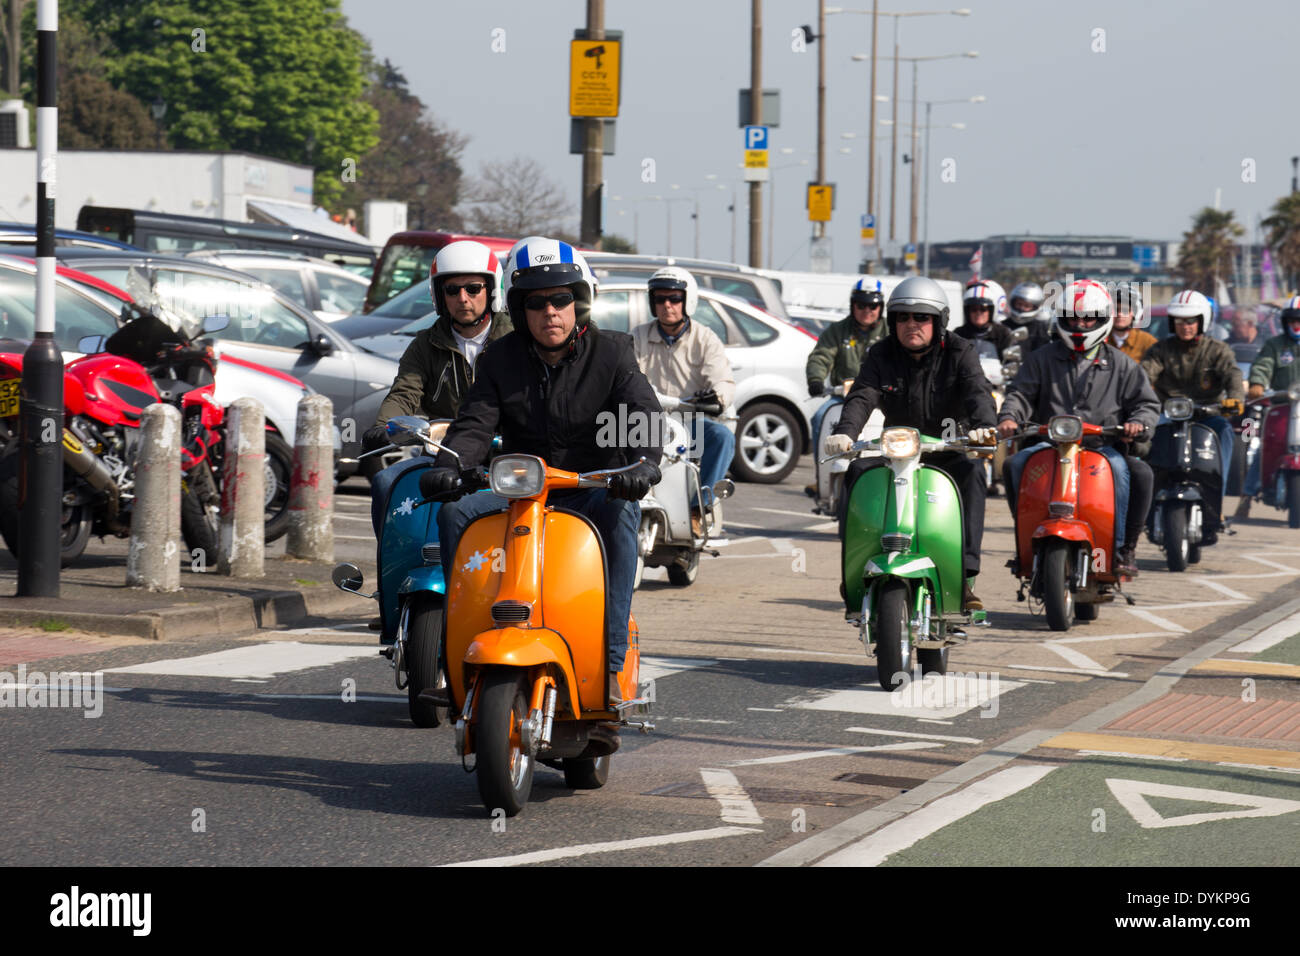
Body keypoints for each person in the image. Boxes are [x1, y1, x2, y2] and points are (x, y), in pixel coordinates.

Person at [420, 237, 662, 707]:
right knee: (455, 514)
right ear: (519, 307)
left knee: (622, 517)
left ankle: (610, 665)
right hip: (518, 491)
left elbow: (643, 416)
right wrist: (448, 466)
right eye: (536, 302)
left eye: (561, 298)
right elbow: (474, 424)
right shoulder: (500, 359)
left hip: (594, 488)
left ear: (580, 302)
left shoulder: (613, 352)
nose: (550, 311)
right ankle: (455, 662)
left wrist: (643, 466)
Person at [824, 276, 997, 611]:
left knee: (974, 472)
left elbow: (978, 393)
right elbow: (862, 395)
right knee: (857, 471)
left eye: (921, 317)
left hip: (949, 448)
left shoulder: (961, 352)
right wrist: (845, 432)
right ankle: (854, 573)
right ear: (892, 321)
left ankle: (964, 578)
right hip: (897, 451)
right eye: (902, 317)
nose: (911, 324)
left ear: (939, 321)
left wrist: (984, 429)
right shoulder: (881, 354)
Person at [997, 278, 1159, 577]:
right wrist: (1009, 417)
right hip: (1049, 445)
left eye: (1088, 318)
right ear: (1062, 319)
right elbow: (1019, 394)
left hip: (1103, 447)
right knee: (1014, 464)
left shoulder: (1123, 364)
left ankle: (1123, 548)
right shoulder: (1040, 359)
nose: (1081, 324)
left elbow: (1146, 404)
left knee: (1135, 473)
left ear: (1102, 319)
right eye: (1073, 317)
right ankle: (1024, 544)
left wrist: (1138, 422)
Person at [362, 240, 513, 536]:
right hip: (441, 453)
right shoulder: (424, 345)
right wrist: (383, 428)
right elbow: (404, 392)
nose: (463, 298)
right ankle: (394, 570)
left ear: (492, 290)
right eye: (452, 290)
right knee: (385, 483)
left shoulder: (515, 341)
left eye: (473, 288)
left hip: (503, 456)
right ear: (439, 295)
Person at [630, 267, 736, 533]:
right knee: (607, 436)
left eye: (674, 298)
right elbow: (626, 373)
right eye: (660, 298)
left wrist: (717, 396)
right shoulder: (639, 335)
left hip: (690, 421)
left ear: (687, 301)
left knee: (721, 437)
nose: (667, 305)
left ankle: (699, 508)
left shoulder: (705, 338)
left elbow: (722, 379)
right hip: (648, 421)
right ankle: (621, 503)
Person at [1139, 290, 1243, 543]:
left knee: (1225, 433)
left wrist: (1236, 398)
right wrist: (1135, 397)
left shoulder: (1218, 350)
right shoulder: (1160, 350)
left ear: (1202, 321)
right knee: (1141, 439)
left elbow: (1232, 374)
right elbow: (1143, 375)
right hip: (1167, 415)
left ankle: (1217, 501)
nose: (1185, 326)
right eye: (1179, 321)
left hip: (1208, 414)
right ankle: (1140, 505)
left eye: (1191, 320)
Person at [1236, 295, 1300, 517]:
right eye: (1293, 320)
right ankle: (1247, 496)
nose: (1297, 324)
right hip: (1282, 407)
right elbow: (1263, 365)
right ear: (1285, 322)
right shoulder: (1275, 345)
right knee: (1265, 448)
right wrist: (1257, 383)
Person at [953, 279, 1015, 357]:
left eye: (983, 309)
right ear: (967, 311)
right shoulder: (958, 334)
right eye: (974, 309)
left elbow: (1009, 362)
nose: (978, 313)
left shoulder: (1003, 334)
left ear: (991, 311)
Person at [1107, 284, 1156, 362]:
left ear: (1135, 313)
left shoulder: (1148, 342)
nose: (1120, 314)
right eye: (1116, 310)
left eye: (1125, 310)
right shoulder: (1101, 340)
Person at [1004, 281, 1053, 354]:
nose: (1021, 308)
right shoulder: (1003, 326)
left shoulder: (1041, 329)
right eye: (1019, 304)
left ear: (1035, 306)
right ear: (1013, 303)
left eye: (1026, 306)